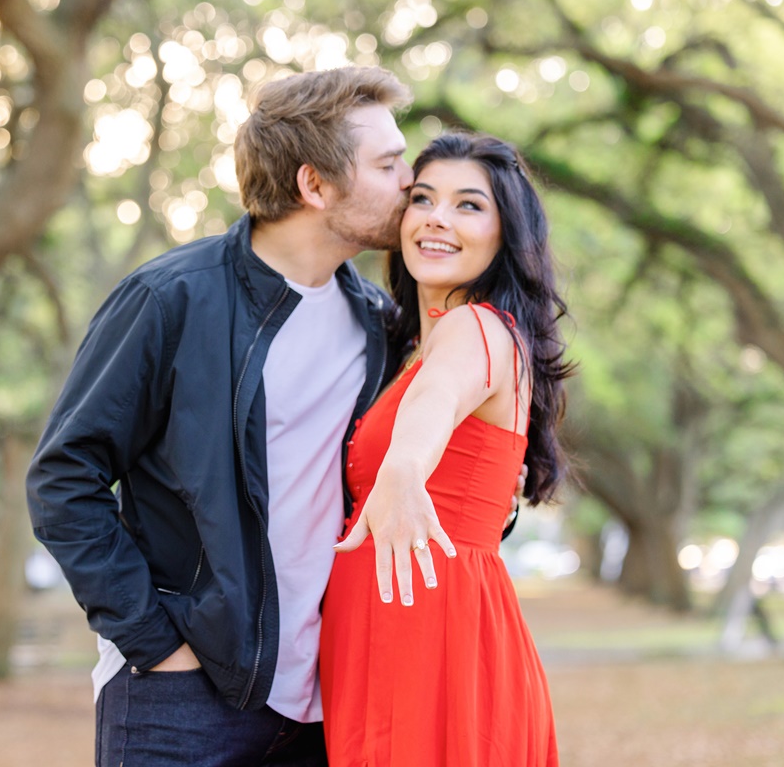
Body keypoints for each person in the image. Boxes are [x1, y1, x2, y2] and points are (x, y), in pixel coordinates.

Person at [29, 66, 520, 766]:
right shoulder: (171, 300)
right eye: (387, 165)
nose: (410, 182)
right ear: (315, 185)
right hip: (182, 697)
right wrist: (156, 643)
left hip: (323, 703)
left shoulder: (378, 323)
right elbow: (62, 479)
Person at [321, 133, 573, 766]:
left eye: (468, 205)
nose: (437, 217)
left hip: (432, 642)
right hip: (397, 631)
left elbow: (435, 401)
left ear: (504, 234)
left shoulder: (476, 328)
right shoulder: (421, 345)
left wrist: (404, 469)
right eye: (423, 198)